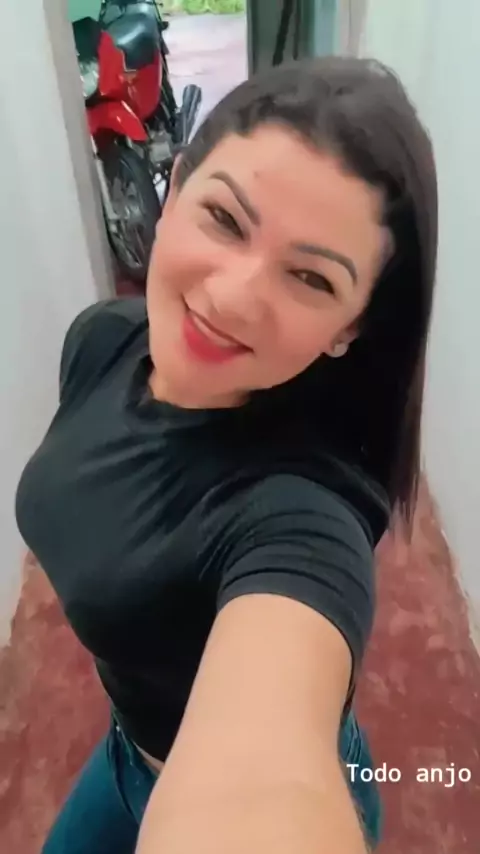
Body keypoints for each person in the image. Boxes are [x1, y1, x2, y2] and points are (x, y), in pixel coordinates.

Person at [15, 56, 438, 854]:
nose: (236, 296)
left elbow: (267, 789)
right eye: (224, 218)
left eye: (311, 278)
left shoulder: (303, 515)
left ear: (349, 327)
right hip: (125, 751)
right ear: (173, 189)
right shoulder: (102, 340)